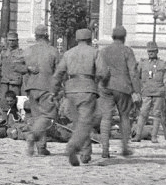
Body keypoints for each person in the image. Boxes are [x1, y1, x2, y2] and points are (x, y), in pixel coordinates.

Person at [54, 28, 99, 166]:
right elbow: (103, 72)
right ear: (90, 39)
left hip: (71, 90)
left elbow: (58, 73)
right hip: (87, 89)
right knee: (85, 122)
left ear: (77, 39)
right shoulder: (95, 52)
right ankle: (73, 146)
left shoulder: (68, 53)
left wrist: (54, 90)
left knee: (78, 123)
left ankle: (86, 152)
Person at [96, 25, 140, 158]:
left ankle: (105, 149)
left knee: (106, 117)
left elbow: (100, 70)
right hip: (123, 87)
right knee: (124, 117)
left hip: (106, 86)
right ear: (124, 37)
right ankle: (125, 148)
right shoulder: (127, 51)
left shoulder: (104, 51)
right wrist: (137, 90)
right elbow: (133, 72)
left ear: (112, 37)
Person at [22, 24, 59, 157]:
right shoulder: (53, 51)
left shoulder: (28, 51)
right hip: (46, 87)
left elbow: (17, 66)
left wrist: (29, 69)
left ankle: (41, 148)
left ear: (36, 36)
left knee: (37, 117)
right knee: (47, 116)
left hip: (32, 87)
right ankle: (34, 137)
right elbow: (59, 72)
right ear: (47, 36)